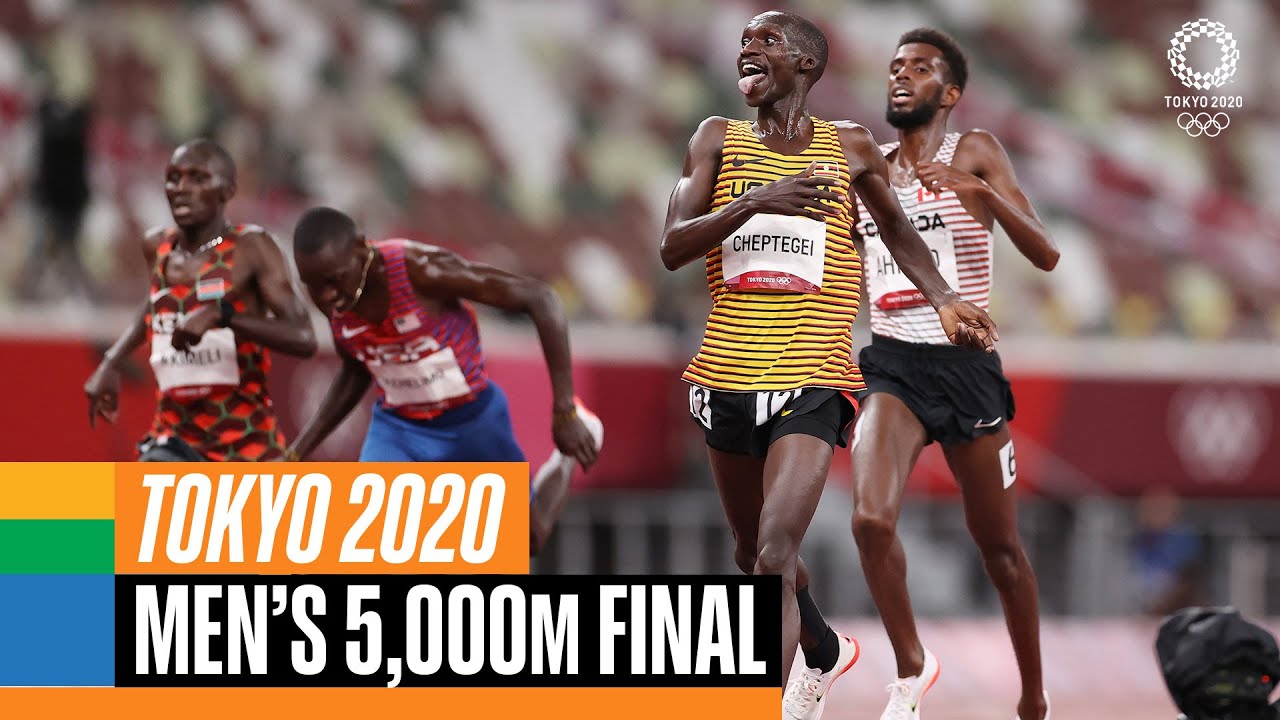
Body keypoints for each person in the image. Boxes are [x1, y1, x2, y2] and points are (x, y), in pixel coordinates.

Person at [658, 12, 997, 719]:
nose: (748, 50)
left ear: (807, 64)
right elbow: (673, 246)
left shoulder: (850, 147)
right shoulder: (715, 138)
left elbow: (897, 230)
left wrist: (943, 300)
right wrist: (757, 202)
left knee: (775, 552)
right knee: (750, 552)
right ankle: (823, 649)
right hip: (727, 373)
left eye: (767, 42)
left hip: (814, 375)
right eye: (743, 42)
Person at [845, 28, 1059, 720]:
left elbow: (1047, 253)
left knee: (1001, 553)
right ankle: (912, 668)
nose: (901, 75)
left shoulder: (976, 151)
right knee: (870, 521)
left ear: (950, 92)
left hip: (967, 370)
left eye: (920, 67)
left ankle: (1033, 698)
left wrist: (977, 191)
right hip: (894, 366)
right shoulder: (867, 168)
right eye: (895, 66)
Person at [286, 207, 604, 555]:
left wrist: (564, 411)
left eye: (334, 279)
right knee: (370, 537)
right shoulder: (333, 297)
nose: (327, 296)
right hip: (400, 429)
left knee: (528, 539)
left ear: (362, 249)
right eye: (313, 285)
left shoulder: (420, 269)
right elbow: (356, 367)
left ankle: (567, 454)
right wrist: (297, 451)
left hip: (471, 420)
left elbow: (541, 298)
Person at [84, 140, 317, 461]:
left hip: (244, 442)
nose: (181, 188)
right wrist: (112, 360)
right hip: (174, 441)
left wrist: (224, 317)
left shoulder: (252, 248)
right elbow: (157, 302)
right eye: (173, 178)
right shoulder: (157, 246)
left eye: (198, 178)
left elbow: (304, 338)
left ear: (227, 190)